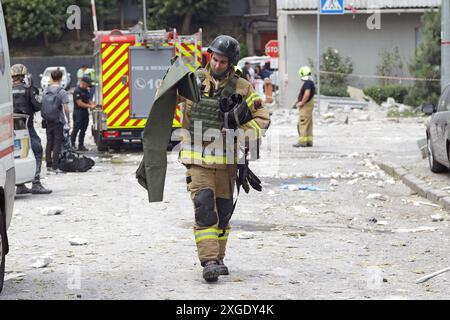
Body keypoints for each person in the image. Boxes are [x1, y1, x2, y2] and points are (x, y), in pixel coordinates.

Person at [179, 35, 271, 282]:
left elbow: (263, 117)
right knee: (205, 208)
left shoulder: (243, 88)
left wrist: (239, 131)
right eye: (215, 59)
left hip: (227, 164)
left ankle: (218, 257)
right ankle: (208, 260)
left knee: (223, 211)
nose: (217, 65)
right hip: (197, 159)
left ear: (231, 63)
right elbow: (164, 100)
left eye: (223, 62)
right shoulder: (192, 81)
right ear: (210, 56)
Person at [11, 64, 52, 194]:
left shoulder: (6, 89)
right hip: (26, 126)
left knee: (16, 154)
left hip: (10, 127)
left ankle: (20, 185)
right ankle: (36, 182)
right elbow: (37, 105)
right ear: (24, 75)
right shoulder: (29, 89)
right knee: (37, 149)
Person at [44, 69, 70, 172]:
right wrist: (68, 120)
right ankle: (55, 166)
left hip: (47, 120)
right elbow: (66, 108)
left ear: (51, 77)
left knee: (49, 142)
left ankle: (48, 165)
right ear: (61, 78)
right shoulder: (62, 91)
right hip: (58, 120)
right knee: (57, 143)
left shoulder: (46, 90)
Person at [71, 76, 96, 151]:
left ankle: (81, 145)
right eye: (87, 85)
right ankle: (72, 144)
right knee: (76, 129)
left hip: (85, 112)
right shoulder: (77, 91)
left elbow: (88, 99)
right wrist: (89, 106)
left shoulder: (86, 90)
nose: (88, 87)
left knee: (83, 129)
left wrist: (93, 105)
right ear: (83, 83)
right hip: (78, 112)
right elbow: (79, 103)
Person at [293, 66, 316, 148]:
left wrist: (301, 103)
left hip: (306, 106)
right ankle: (309, 141)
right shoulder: (311, 82)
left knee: (302, 123)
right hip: (309, 105)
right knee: (308, 124)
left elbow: (307, 94)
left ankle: (302, 142)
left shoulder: (307, 83)